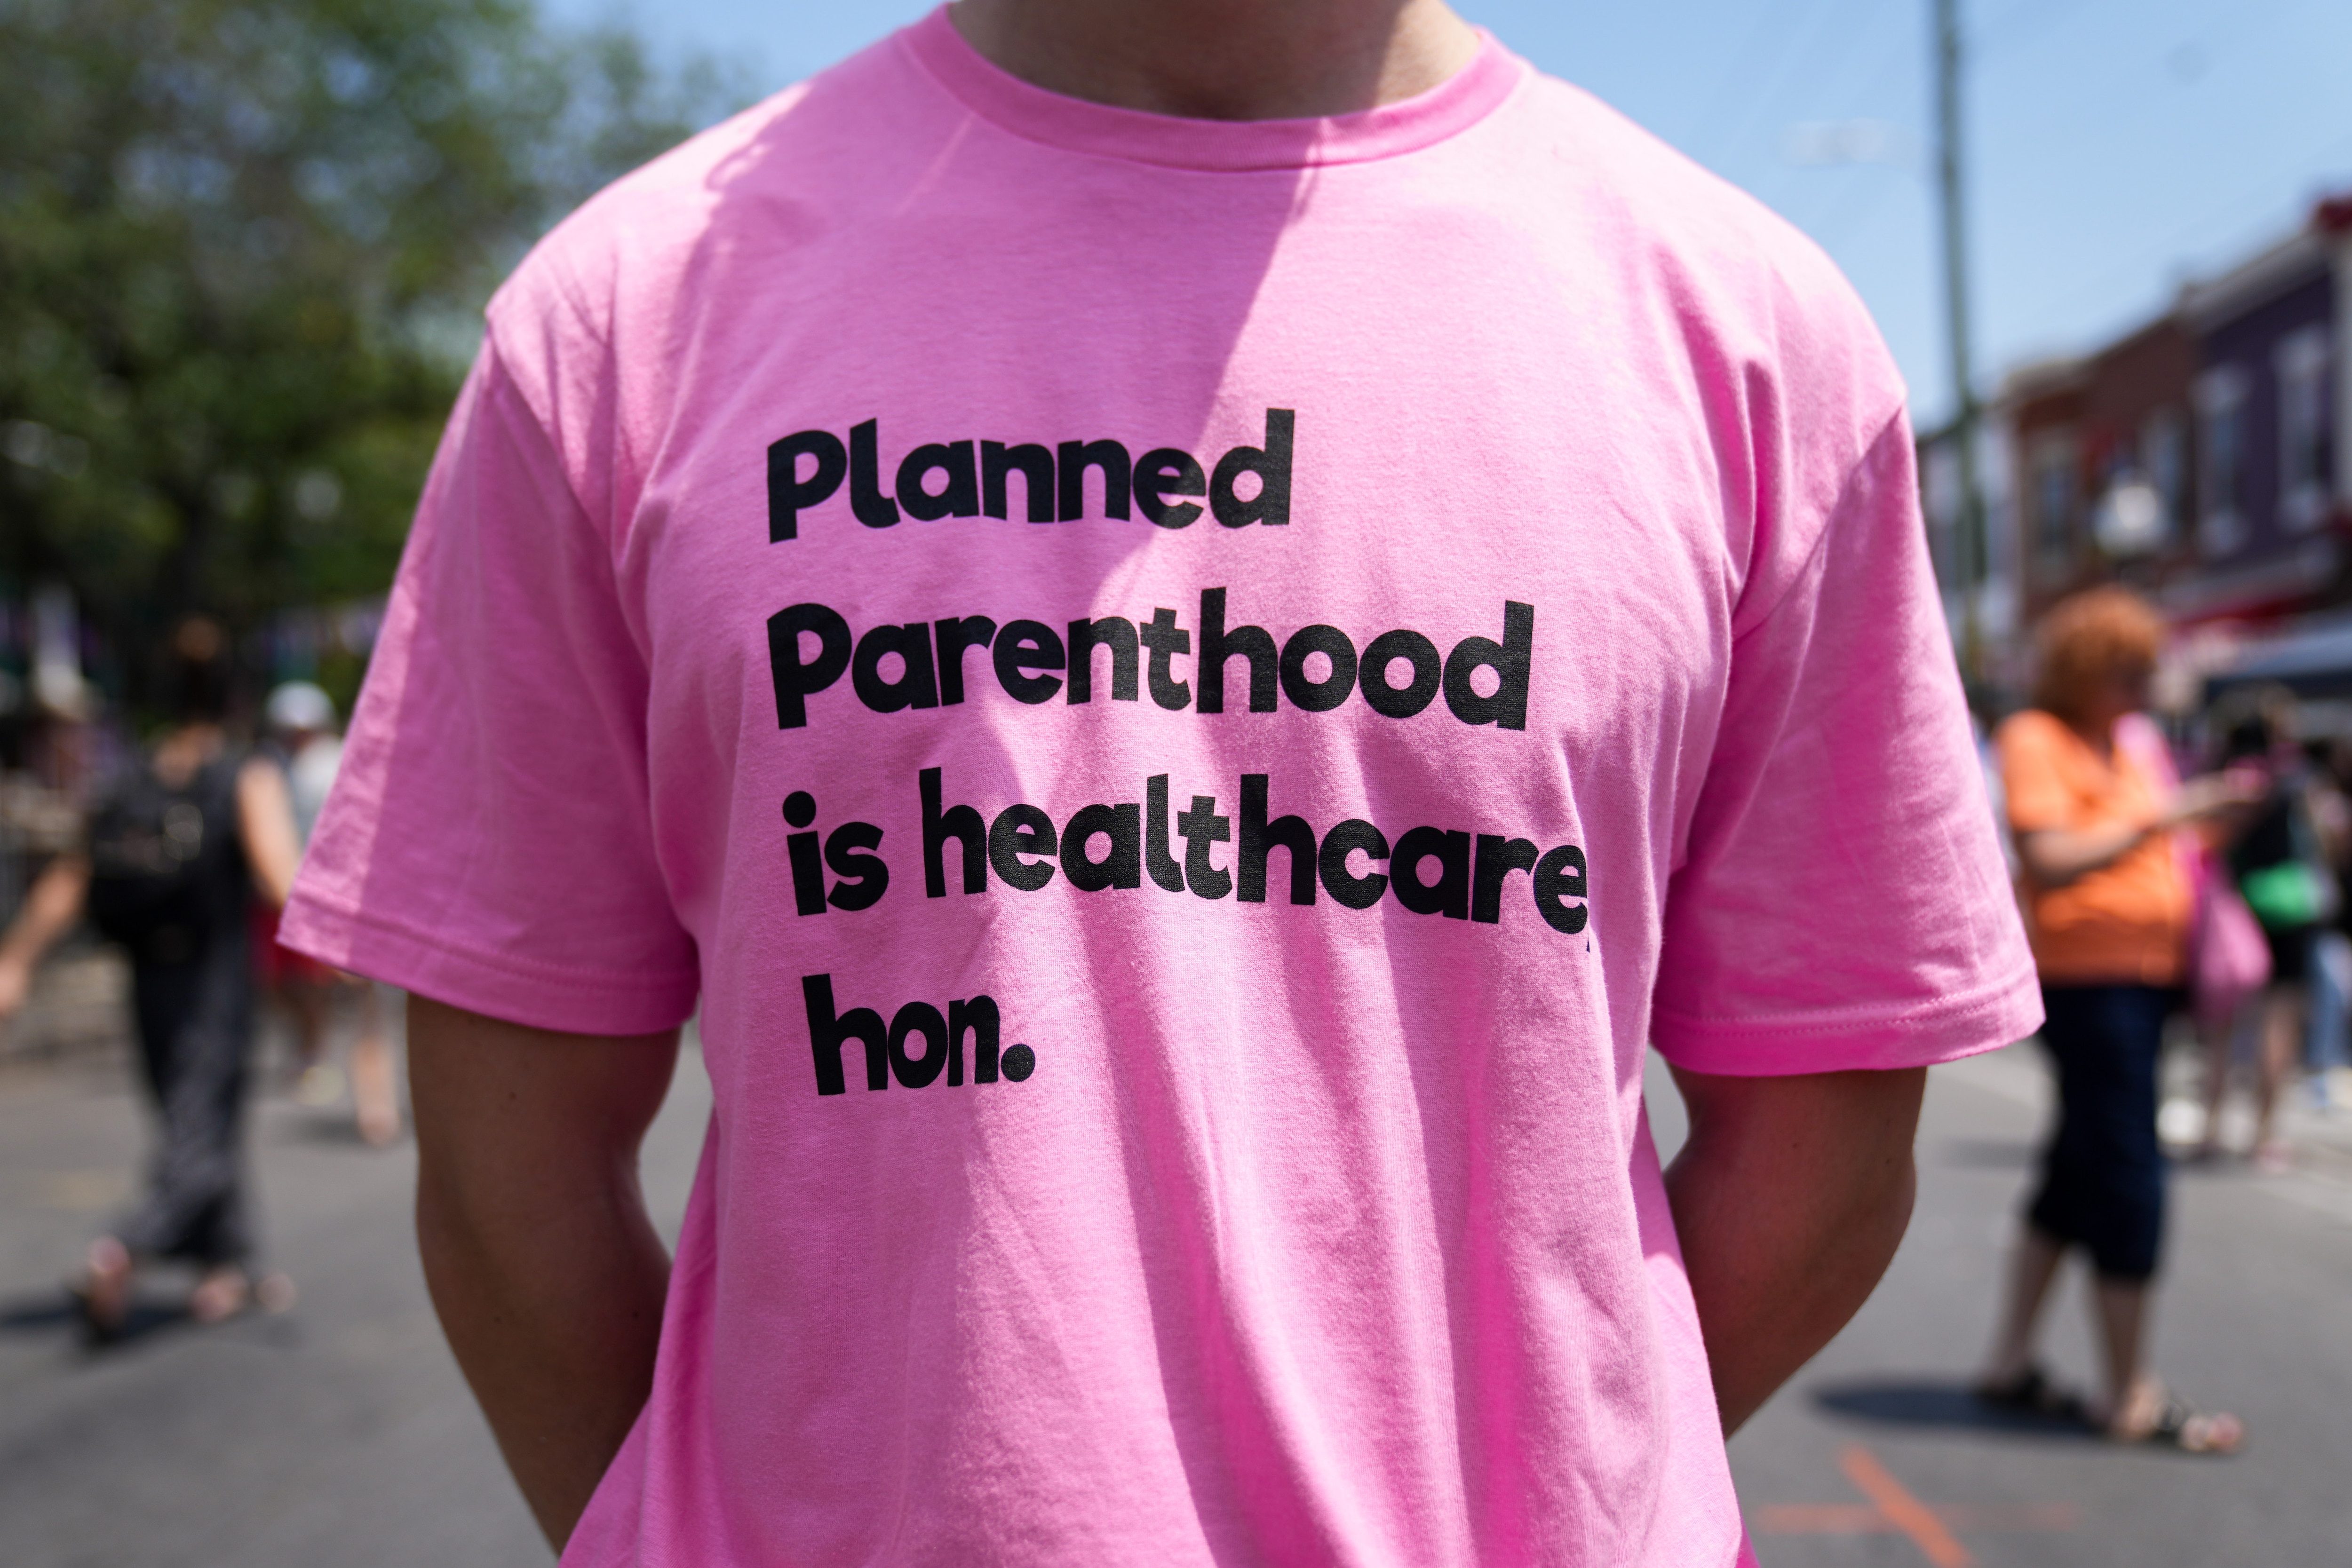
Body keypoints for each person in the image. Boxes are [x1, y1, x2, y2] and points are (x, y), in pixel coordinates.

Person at [280, 3, 2041, 1561]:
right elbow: (510, 1167)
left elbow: (1824, 1136)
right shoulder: (622, 322)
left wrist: (1551, 1506)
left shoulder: (1746, 340)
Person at [1977, 587, 2254, 1452]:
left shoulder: (2132, 742)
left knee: (2078, 1162)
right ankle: (2131, 1388)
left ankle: (2009, 1357)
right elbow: (2051, 858)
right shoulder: (2036, 737)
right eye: (2127, 670)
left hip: (2143, 978)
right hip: (2087, 983)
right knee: (2130, 1168)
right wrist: (2170, 814)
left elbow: (2156, 847)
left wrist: (2211, 824)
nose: (2143, 685)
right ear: (2085, 669)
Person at [0, 618, 302, 1336]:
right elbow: (277, 874)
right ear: (234, 696)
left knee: (190, 1112)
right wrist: (350, 944)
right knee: (204, 1121)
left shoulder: (132, 777)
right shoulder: (241, 771)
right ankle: (123, 1247)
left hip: (148, 975)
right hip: (215, 975)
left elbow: (73, 876)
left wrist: (15, 960)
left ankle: (224, 1264)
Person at [2197, 692, 2343, 1170]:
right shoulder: (2295, 780)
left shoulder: (2220, 782)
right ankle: (2262, 1136)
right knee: (2279, 1021)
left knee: (2221, 1024)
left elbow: (2206, 844)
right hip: (2288, 908)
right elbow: (2325, 841)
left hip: (2234, 908)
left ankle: (2210, 1129)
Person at [257, 681, 399, 1147]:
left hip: (351, 904)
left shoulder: (327, 765)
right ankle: (361, 1095)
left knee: (369, 1008)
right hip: (327, 900)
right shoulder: (287, 768)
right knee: (320, 994)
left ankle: (377, 1108)